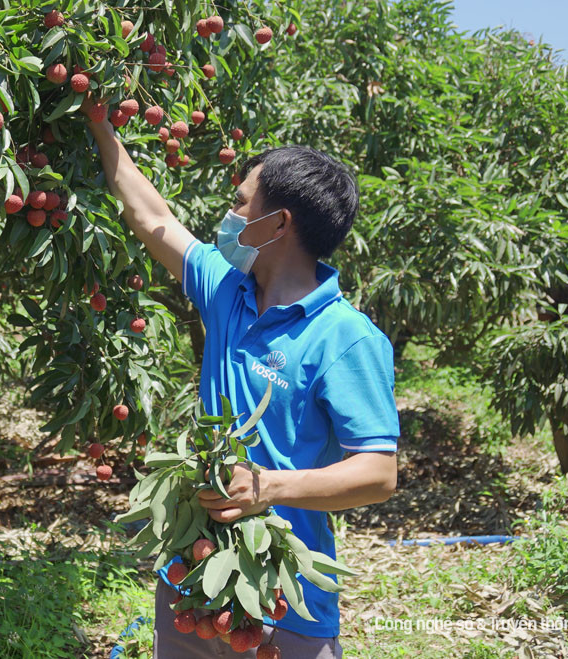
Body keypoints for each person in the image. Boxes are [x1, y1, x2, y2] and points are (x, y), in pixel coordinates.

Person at [85, 109, 400, 658]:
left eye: (240, 203)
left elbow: (378, 473)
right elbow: (149, 213)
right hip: (192, 576)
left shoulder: (346, 338)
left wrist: (268, 487)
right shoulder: (227, 289)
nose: (227, 217)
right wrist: (97, 121)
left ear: (278, 224)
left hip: (285, 600)